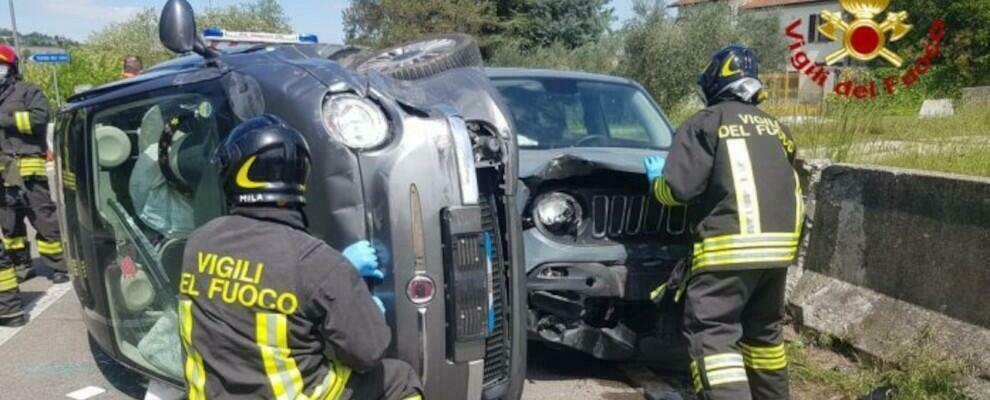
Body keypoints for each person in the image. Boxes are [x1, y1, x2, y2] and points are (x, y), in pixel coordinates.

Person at [177, 114, 423, 400]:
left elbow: (247, 299)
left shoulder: (199, 242)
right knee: (400, 378)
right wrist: (354, 296)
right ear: (301, 178)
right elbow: (368, 352)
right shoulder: (317, 263)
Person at [644, 45, 802, 400]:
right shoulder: (778, 128)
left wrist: (657, 184)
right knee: (764, 336)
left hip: (725, 253)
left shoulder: (706, 122)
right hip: (776, 256)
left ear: (716, 80)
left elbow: (678, 190)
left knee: (712, 334)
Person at [0, 44, 67, 327]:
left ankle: (59, 266)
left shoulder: (27, 92)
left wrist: (4, 119)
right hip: (4, 174)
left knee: (43, 218)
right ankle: (21, 264)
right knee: (10, 226)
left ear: (11, 67)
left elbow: (40, 119)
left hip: (30, 169)